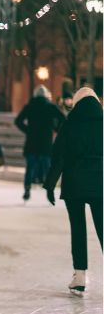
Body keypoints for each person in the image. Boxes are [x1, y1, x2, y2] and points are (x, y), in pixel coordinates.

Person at [44, 87, 103, 296]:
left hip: (74, 184)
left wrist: (50, 184)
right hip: (100, 185)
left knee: (78, 229)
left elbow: (58, 157)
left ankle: (79, 278)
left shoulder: (69, 124)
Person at [14, 85, 66, 200]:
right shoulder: (51, 106)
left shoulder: (29, 106)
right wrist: (55, 129)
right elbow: (63, 119)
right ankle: (49, 192)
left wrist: (27, 130)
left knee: (29, 168)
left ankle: (27, 189)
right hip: (45, 142)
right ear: (47, 95)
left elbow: (18, 121)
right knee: (47, 168)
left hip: (31, 142)